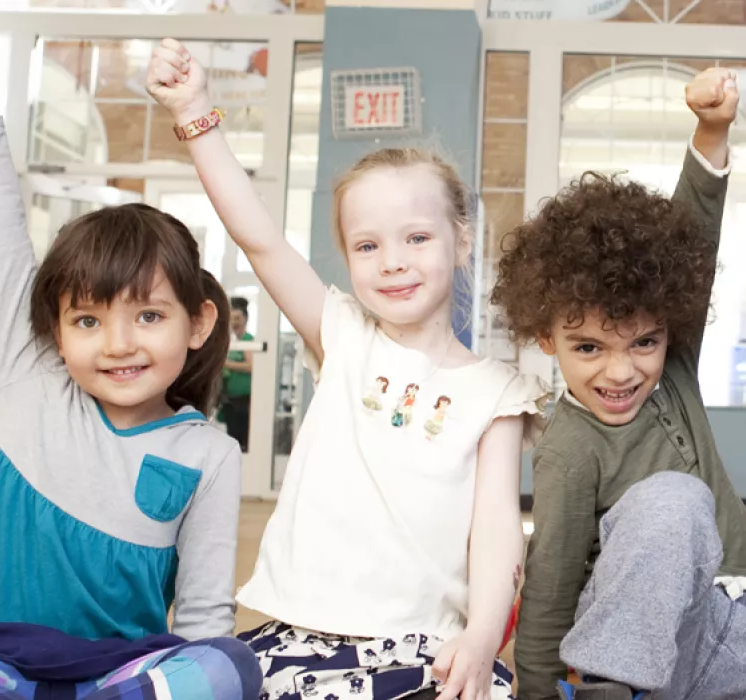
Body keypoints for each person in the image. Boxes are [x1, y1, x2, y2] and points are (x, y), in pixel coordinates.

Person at [0, 13, 257, 699]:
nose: (119, 343)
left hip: (120, 675)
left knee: (228, 665)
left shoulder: (208, 454)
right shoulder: (35, 378)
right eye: (89, 319)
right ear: (55, 332)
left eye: (148, 316)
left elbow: (205, 617)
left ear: (199, 322)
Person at [148, 38, 547, 700]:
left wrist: (480, 637)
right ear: (348, 256)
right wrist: (194, 111)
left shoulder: (496, 392)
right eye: (368, 245)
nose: (393, 260)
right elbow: (260, 238)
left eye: (417, 237)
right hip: (300, 637)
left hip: (422, 646)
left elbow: (497, 527)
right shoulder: (345, 336)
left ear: (463, 240)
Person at [493, 67, 746, 700]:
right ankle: (612, 684)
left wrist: (712, 128)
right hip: (626, 640)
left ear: (670, 324)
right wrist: (535, 689)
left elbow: (693, 232)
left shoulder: (676, 363)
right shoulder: (567, 445)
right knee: (675, 498)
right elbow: (552, 575)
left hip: (725, 619)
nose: (622, 370)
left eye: (644, 341)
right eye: (589, 347)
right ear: (544, 337)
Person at [222, 297, 252, 450]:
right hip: (231, 401)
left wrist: (228, 364)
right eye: (232, 318)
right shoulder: (233, 342)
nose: (234, 322)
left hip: (243, 402)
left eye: (238, 318)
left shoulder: (248, 340)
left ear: (245, 319)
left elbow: (250, 366)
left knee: (242, 442)